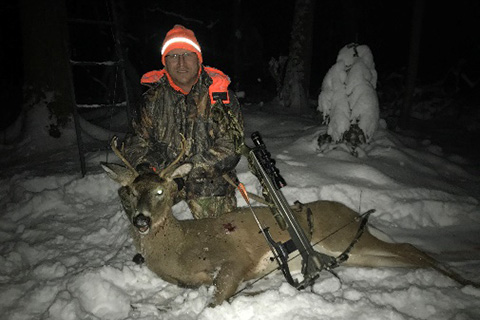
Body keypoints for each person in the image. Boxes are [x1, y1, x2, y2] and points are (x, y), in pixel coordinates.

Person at [124, 24, 244, 219]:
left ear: (198, 59)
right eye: (173, 56)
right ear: (165, 62)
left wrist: (187, 171)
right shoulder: (152, 100)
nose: (181, 63)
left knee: (218, 234)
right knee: (133, 196)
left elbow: (232, 147)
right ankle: (153, 241)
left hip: (208, 180)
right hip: (164, 179)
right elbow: (136, 142)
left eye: (187, 54)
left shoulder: (220, 97)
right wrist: (151, 170)